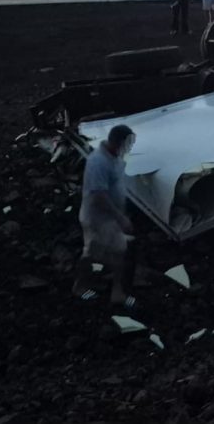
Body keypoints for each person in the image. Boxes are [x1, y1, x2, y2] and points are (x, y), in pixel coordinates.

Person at [73, 124, 139, 309]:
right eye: (129, 142)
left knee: (115, 251)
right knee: (96, 252)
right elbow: (98, 195)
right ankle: (82, 286)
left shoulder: (113, 158)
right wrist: (120, 217)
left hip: (107, 217)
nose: (130, 147)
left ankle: (116, 292)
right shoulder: (98, 162)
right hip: (97, 218)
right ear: (119, 142)